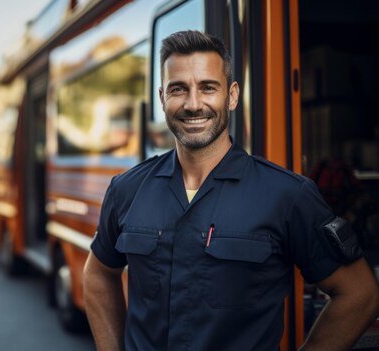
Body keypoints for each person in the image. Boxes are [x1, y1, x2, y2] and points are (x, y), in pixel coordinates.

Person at [83, 30, 379, 351]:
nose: (193, 104)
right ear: (162, 99)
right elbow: (98, 273)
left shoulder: (286, 195)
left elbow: (359, 293)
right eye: (178, 89)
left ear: (232, 96)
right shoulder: (127, 189)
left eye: (208, 88)